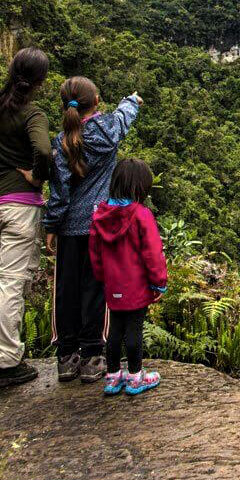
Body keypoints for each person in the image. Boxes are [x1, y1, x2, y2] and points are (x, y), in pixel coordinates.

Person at [44, 77, 142, 383]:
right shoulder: (107, 131)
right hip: (100, 228)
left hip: (69, 228)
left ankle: (66, 358)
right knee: (96, 290)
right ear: (96, 102)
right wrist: (132, 99)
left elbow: (59, 191)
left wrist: (51, 224)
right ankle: (91, 357)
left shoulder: (61, 142)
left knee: (66, 290)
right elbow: (124, 117)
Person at [0, 47, 52, 389]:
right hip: (19, 205)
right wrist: (37, 177)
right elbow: (44, 152)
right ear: (40, 82)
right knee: (11, 281)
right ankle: (3, 361)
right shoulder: (32, 114)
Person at [90, 159, 168, 396]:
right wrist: (158, 283)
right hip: (136, 286)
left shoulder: (100, 215)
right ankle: (135, 376)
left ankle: (113, 376)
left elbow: (95, 254)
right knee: (133, 330)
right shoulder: (141, 215)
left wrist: (103, 278)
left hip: (112, 285)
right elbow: (153, 252)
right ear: (140, 187)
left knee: (114, 331)